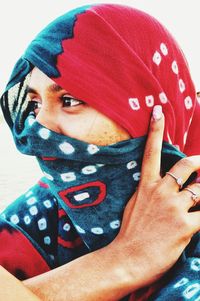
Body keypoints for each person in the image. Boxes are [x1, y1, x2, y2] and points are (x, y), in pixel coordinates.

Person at [0, 3, 200, 300]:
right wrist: (124, 260)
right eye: (34, 105)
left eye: (69, 100)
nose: (36, 130)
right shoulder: (48, 210)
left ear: (146, 110)